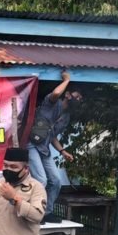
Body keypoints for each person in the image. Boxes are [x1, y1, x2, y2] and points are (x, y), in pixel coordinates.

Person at [26, 70, 81, 223]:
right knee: (41, 180)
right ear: (68, 94)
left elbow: (52, 136)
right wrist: (66, 80)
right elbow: (56, 93)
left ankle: (46, 212)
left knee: (56, 181)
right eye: (77, 96)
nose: (78, 100)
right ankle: (33, 212)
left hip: (45, 149)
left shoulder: (66, 117)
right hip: (31, 144)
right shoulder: (51, 103)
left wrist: (62, 151)